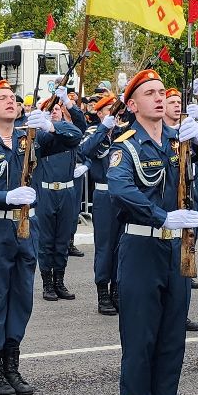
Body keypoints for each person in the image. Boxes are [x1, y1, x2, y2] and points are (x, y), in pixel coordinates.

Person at [104, 70, 198, 395]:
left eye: (160, 92)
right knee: (141, 340)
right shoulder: (127, 146)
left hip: (177, 253)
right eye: (148, 93)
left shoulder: (180, 140)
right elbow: (121, 188)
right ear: (132, 105)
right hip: (141, 246)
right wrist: (161, 216)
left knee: (172, 339)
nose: (157, 98)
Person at [0, 80, 83, 395]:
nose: (11, 101)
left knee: (22, 298)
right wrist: (4, 197)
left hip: (28, 230)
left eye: (13, 97)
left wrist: (53, 126)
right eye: (2, 98)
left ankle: (12, 365)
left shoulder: (31, 140)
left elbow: (76, 138)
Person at [32, 90, 87, 302]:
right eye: (50, 110)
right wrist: (41, 125)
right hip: (46, 192)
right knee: (47, 240)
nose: (54, 112)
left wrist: (68, 103)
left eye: (56, 109)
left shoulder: (68, 134)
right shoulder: (42, 135)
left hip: (66, 191)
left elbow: (79, 127)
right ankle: (47, 283)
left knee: (63, 239)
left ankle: (59, 281)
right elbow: (42, 139)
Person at [78, 93, 124, 316]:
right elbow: (85, 151)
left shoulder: (124, 132)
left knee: (122, 245)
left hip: (124, 196)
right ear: (99, 113)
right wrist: (102, 129)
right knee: (105, 246)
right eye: (109, 111)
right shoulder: (93, 133)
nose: (114, 115)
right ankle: (102, 293)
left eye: (115, 110)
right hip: (105, 196)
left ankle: (117, 289)